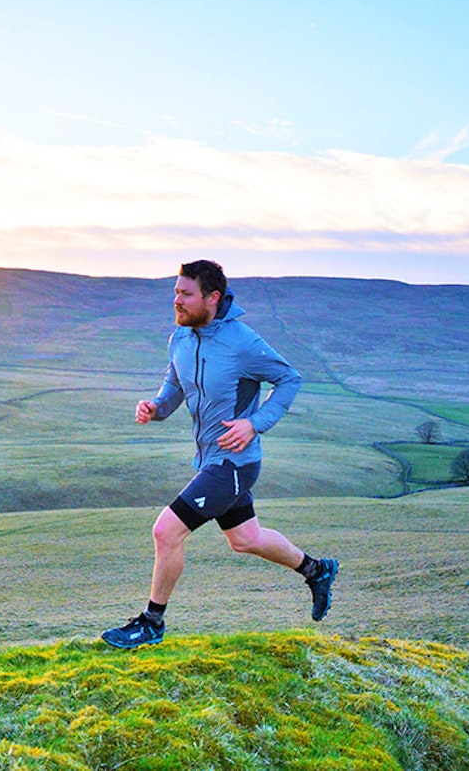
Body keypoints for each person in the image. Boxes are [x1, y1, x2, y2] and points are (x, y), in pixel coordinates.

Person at [101, 260, 338, 650]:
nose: (176, 301)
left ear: (212, 298)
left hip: (235, 463)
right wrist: (156, 408)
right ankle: (317, 570)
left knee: (166, 530)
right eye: (175, 292)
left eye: (185, 294)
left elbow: (289, 378)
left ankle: (151, 623)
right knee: (246, 539)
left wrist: (254, 423)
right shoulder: (181, 339)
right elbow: (174, 385)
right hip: (210, 459)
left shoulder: (242, 342)